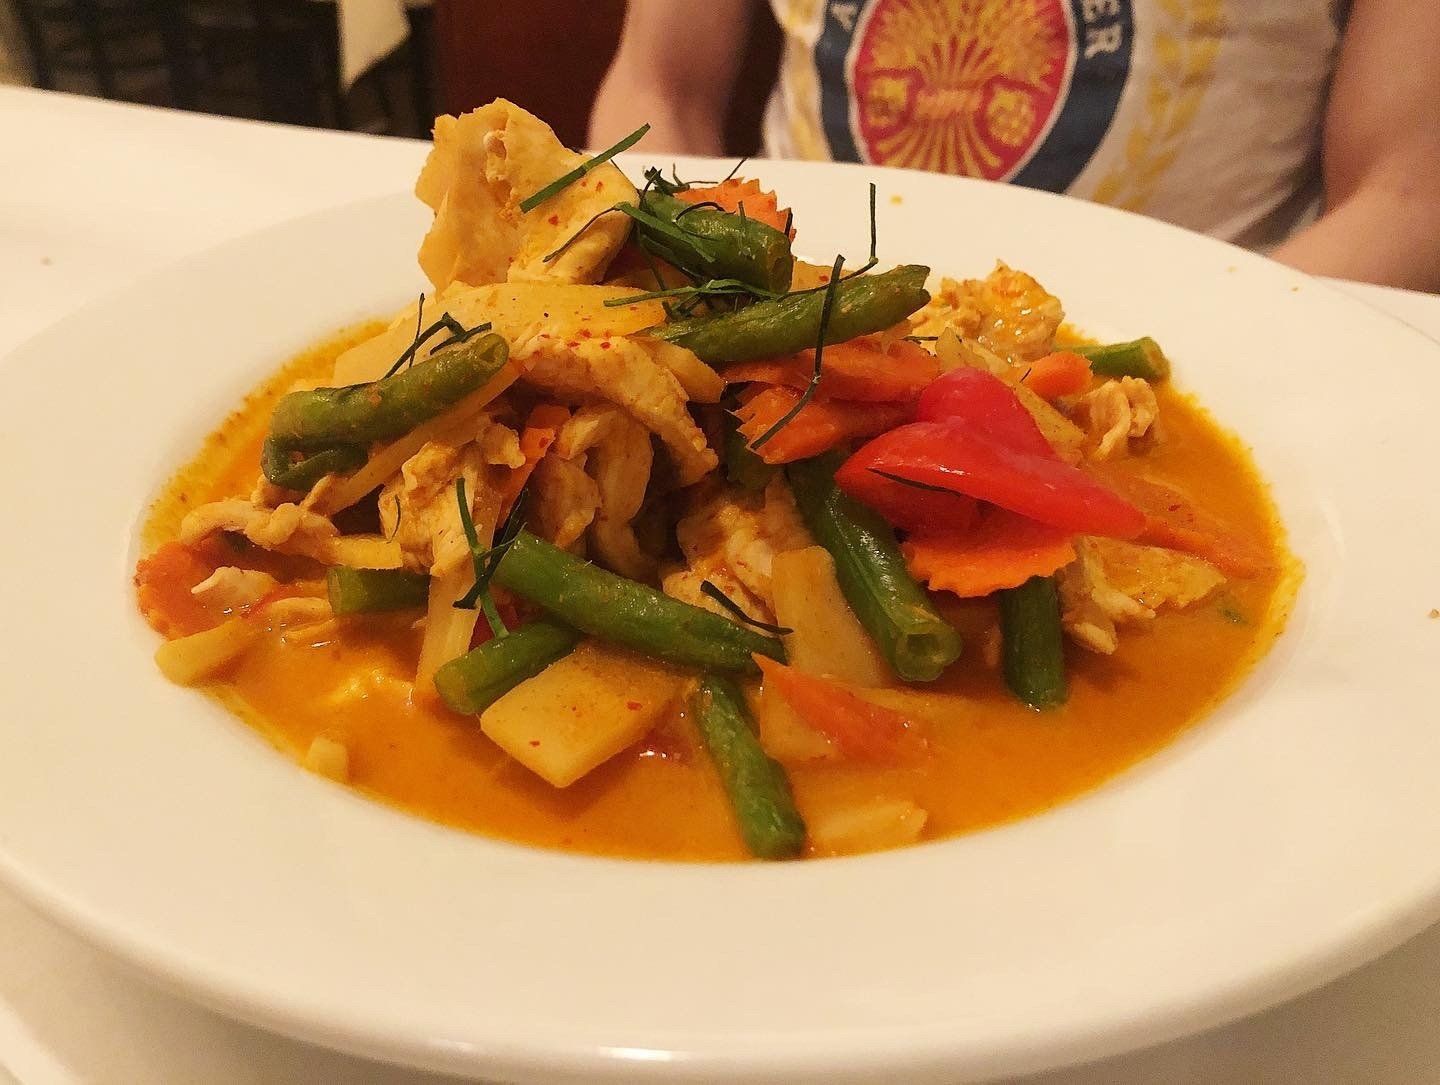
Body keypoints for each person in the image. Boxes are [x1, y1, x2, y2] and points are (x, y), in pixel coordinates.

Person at [591, 0, 1440, 292]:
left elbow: (1408, 199)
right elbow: (659, 89)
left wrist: (1168, 357)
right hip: (779, 352)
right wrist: (700, 316)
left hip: (1207, 384)